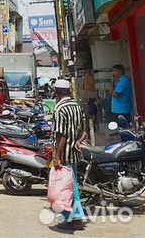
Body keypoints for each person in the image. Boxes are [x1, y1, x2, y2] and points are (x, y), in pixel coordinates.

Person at [52, 79, 87, 231]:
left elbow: (62, 136)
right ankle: (71, 216)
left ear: (57, 92)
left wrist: (57, 157)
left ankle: (76, 218)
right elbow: (84, 132)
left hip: (65, 155)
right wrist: (78, 141)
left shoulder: (59, 108)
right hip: (75, 154)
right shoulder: (77, 106)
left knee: (69, 187)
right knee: (69, 186)